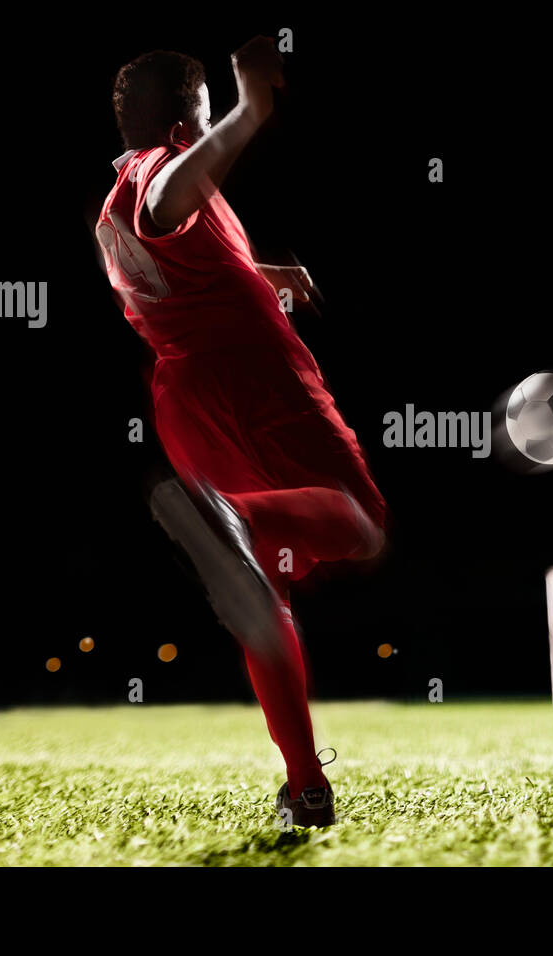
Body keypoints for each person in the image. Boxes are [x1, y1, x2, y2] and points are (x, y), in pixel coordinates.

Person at [95, 38, 387, 828]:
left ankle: (304, 784)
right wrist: (250, 110)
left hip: (185, 400)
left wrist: (262, 276)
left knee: (266, 592)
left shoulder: (109, 211)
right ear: (187, 118)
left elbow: (171, 257)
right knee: (361, 525)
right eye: (199, 113)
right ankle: (238, 520)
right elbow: (169, 195)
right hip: (256, 384)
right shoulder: (156, 172)